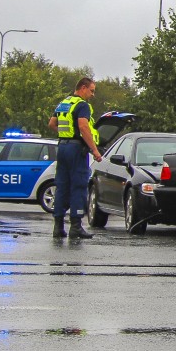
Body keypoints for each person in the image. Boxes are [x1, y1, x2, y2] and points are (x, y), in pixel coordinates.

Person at [48, 78, 103, 239]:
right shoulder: (82, 105)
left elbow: (52, 123)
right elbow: (83, 126)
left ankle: (58, 227)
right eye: (91, 90)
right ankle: (76, 227)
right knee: (78, 185)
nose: (92, 94)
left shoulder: (64, 103)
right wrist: (94, 150)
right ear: (83, 88)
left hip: (63, 147)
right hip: (76, 149)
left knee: (62, 186)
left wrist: (65, 134)